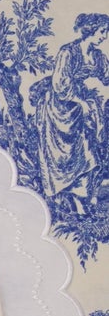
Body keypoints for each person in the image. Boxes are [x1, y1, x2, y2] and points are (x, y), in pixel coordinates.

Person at [37, 13, 109, 218]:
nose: (104, 36)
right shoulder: (68, 52)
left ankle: (85, 198)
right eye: (102, 32)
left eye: (106, 32)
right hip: (62, 110)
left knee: (91, 148)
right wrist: (81, 101)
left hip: (86, 108)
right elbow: (59, 86)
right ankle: (73, 199)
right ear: (90, 31)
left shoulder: (98, 56)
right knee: (73, 153)